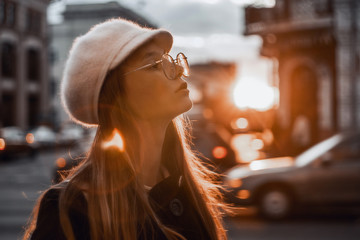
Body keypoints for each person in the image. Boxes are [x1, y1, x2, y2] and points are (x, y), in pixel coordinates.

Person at [23, 18, 227, 240]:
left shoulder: (189, 189)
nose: (178, 69)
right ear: (116, 96)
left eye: (170, 59)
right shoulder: (71, 207)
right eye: (156, 65)